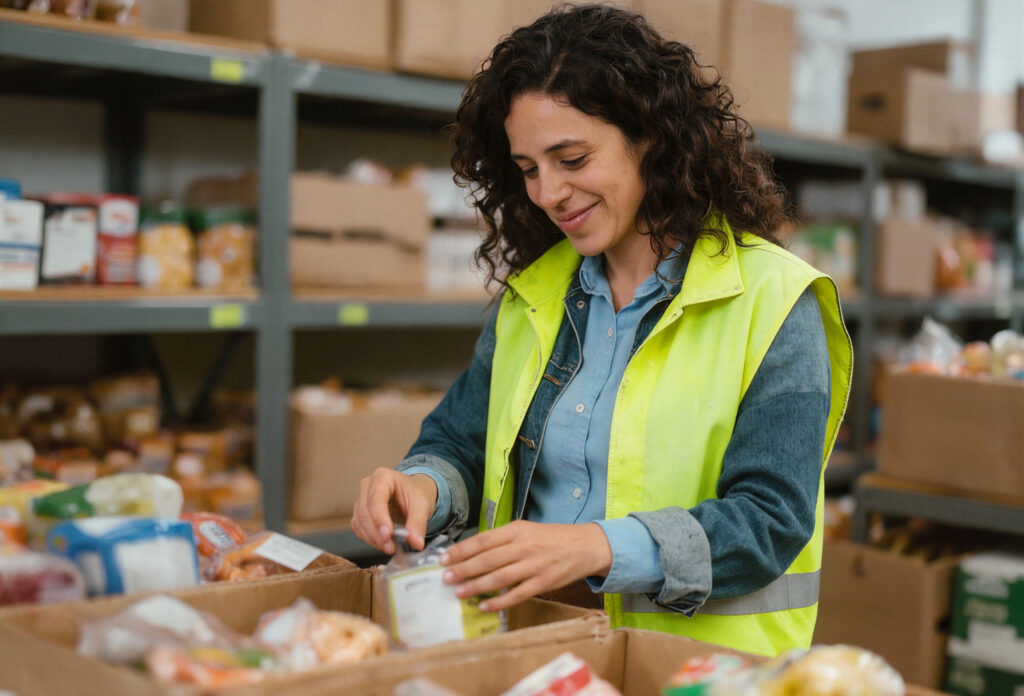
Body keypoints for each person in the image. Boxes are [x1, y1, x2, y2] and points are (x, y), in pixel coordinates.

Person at [351, 3, 853, 657]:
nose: (549, 193)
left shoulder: (776, 302)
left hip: (700, 670)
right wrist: (420, 486)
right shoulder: (537, 295)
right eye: (529, 169)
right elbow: (462, 443)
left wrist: (594, 546)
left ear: (652, 137)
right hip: (539, 647)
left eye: (572, 158)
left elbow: (768, 520)